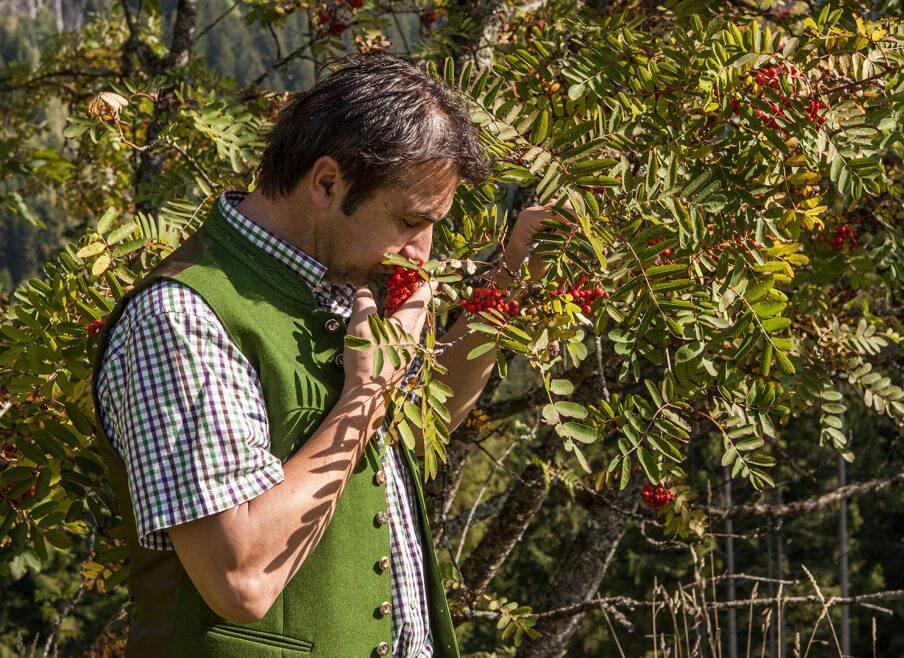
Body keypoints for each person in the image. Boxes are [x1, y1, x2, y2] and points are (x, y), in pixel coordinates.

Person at [90, 50, 566, 658]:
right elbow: (239, 579)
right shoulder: (181, 319)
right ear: (326, 183)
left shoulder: (336, 284)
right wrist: (367, 396)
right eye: (408, 221)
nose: (421, 252)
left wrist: (513, 281)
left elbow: (419, 429)